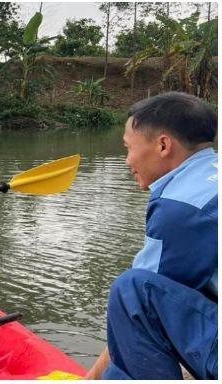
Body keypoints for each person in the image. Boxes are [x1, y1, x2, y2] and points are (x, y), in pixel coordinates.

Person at [85, 92, 217, 381]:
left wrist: (91, 377)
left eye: (128, 148)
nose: (127, 161)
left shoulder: (181, 207)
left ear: (163, 145)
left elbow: (137, 310)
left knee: (131, 289)